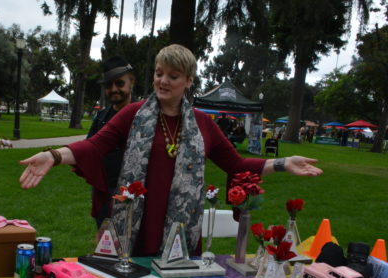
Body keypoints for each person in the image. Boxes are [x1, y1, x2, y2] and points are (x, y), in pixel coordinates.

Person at [19, 44, 322, 257]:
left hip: (180, 230)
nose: (163, 81)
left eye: (173, 76)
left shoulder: (203, 124)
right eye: (159, 73)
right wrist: (53, 156)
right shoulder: (133, 114)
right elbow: (94, 146)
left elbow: (236, 164)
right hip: (134, 227)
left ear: (189, 81)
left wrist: (283, 162)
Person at [86, 56, 136, 227]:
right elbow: (88, 150)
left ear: (131, 82)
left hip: (136, 197)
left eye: (119, 84)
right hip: (105, 198)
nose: (114, 89)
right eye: (109, 85)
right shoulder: (101, 118)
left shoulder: (144, 116)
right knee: (105, 246)